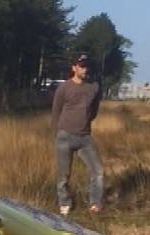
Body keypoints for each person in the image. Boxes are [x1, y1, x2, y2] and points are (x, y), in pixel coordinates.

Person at [51, 53, 104, 217]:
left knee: (99, 172)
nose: (84, 69)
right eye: (81, 66)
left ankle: (95, 203)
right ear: (74, 67)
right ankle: (65, 203)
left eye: (86, 66)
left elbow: (94, 111)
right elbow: (56, 111)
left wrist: (85, 123)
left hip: (85, 138)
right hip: (65, 136)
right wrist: (58, 132)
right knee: (63, 175)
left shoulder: (94, 87)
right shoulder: (64, 88)